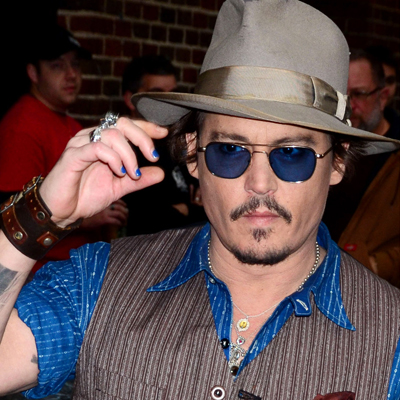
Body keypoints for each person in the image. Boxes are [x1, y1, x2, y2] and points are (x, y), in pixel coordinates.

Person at [1, 1, 400, 399]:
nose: (259, 184)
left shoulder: (391, 335)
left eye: (292, 154)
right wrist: (39, 216)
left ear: (337, 162)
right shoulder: (100, 282)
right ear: (193, 155)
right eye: (230, 150)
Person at [0, 25, 128, 273]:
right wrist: (84, 218)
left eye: (75, 65)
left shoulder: (71, 124)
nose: (71, 75)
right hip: (42, 277)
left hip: (79, 269)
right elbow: (11, 215)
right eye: (57, 66)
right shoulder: (22, 126)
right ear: (33, 73)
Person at [323, 49, 400, 287]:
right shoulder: (323, 144)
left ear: (383, 96)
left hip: (369, 289)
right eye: (342, 96)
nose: (349, 105)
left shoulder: (394, 156)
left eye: (358, 94)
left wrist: (374, 264)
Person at [121, 55, 206, 235]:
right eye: (157, 94)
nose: (168, 103)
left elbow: (208, 206)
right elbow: (147, 221)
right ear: (130, 100)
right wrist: (189, 208)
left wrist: (186, 209)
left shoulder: (177, 144)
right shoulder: (124, 152)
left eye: (172, 94)